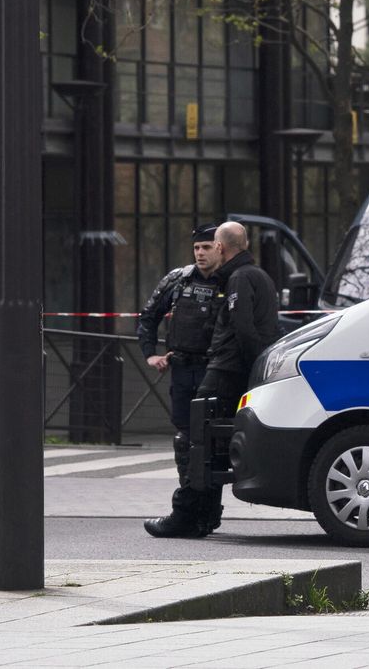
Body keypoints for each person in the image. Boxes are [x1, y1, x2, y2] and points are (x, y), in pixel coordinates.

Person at [190, 221, 281, 536]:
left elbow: (243, 329)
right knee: (212, 442)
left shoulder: (240, 278)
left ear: (220, 247)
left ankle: (192, 515)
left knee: (199, 438)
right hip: (238, 368)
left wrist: (253, 366)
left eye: (212, 244)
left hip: (227, 370)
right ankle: (204, 514)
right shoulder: (259, 275)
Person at [140, 224, 225, 539]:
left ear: (219, 248)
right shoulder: (178, 279)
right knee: (185, 441)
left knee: (212, 443)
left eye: (206, 247)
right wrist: (151, 353)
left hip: (214, 370)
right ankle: (192, 512)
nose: (201, 254)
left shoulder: (230, 281)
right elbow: (148, 317)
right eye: (196, 248)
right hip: (182, 370)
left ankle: (206, 512)